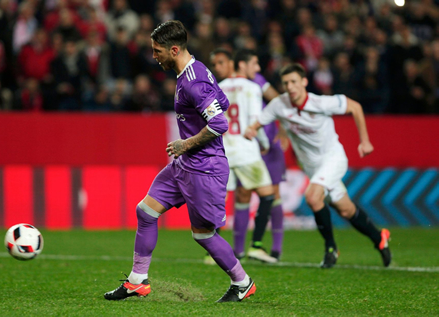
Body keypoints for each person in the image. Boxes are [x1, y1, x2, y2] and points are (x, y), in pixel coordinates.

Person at [104, 20, 256, 303]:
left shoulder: (194, 81)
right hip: (184, 165)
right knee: (145, 212)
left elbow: (220, 122)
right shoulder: (194, 71)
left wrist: (186, 143)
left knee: (203, 235)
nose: (154, 56)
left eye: (157, 51)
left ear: (174, 50)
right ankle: (138, 281)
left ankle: (242, 282)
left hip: (204, 167)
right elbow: (223, 102)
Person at [244, 63, 391, 268]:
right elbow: (258, 122)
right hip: (312, 168)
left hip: (333, 159)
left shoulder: (322, 102)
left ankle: (331, 248)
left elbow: (355, 107)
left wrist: (364, 141)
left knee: (313, 197)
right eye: (286, 83)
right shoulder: (279, 105)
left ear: (304, 82)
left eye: (294, 81)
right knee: (346, 210)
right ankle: (380, 238)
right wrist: (251, 131)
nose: (290, 86)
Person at [210, 48, 286, 261]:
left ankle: (213, 251)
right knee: (268, 194)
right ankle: (257, 245)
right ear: (241, 64)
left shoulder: (220, 87)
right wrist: (264, 144)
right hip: (246, 151)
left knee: (220, 200)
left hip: (224, 152)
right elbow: (256, 121)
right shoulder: (252, 87)